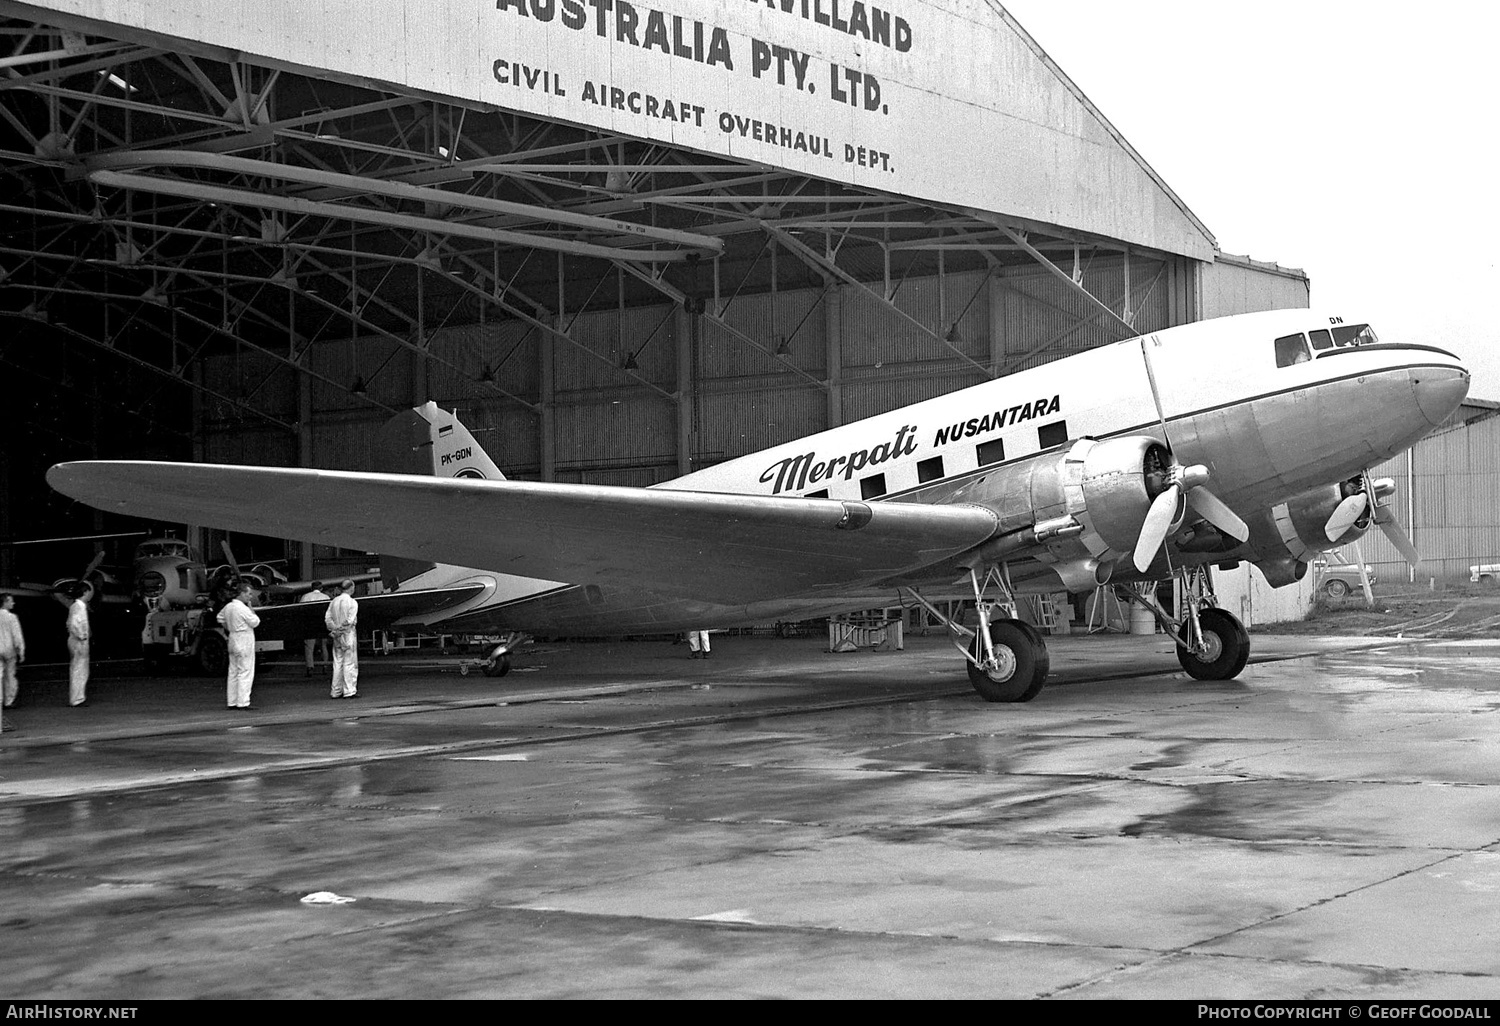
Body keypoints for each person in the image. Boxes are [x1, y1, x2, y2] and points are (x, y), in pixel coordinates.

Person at [216, 581, 261, 710]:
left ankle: (232, 701)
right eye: (249, 594)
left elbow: (220, 618)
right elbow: (255, 622)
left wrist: (229, 628)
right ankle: (243, 702)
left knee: (233, 671)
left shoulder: (229, 607)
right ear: (241, 593)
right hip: (244, 638)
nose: (250, 597)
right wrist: (251, 610)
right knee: (245, 670)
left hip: (232, 637)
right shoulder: (243, 609)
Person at [324, 579, 359, 699]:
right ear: (351, 588)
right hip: (348, 634)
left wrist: (335, 630)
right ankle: (349, 690)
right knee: (349, 662)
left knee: (337, 662)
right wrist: (341, 630)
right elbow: (349, 620)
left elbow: (328, 619)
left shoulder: (333, 601)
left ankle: (336, 691)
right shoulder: (352, 602)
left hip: (336, 636)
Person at [65, 583, 92, 707]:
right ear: (85, 592)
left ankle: (79, 697)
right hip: (79, 641)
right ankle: (77, 698)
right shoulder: (78, 607)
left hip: (78, 640)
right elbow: (74, 623)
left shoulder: (77, 606)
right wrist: (82, 635)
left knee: (80, 669)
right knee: (79, 669)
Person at [299, 582, 331, 676]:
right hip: (322, 624)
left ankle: (310, 668)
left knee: (309, 647)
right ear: (321, 588)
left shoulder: (305, 597)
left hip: (309, 624)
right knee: (323, 646)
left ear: (311, 588)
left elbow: (300, 610)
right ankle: (325, 666)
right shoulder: (326, 597)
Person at [1, 593, 24, 724]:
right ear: (5, 602)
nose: (13, 603)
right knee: (10, 675)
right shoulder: (12, 617)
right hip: (9, 649)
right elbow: (17, 635)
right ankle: (9, 700)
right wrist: (21, 650)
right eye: (11, 601)